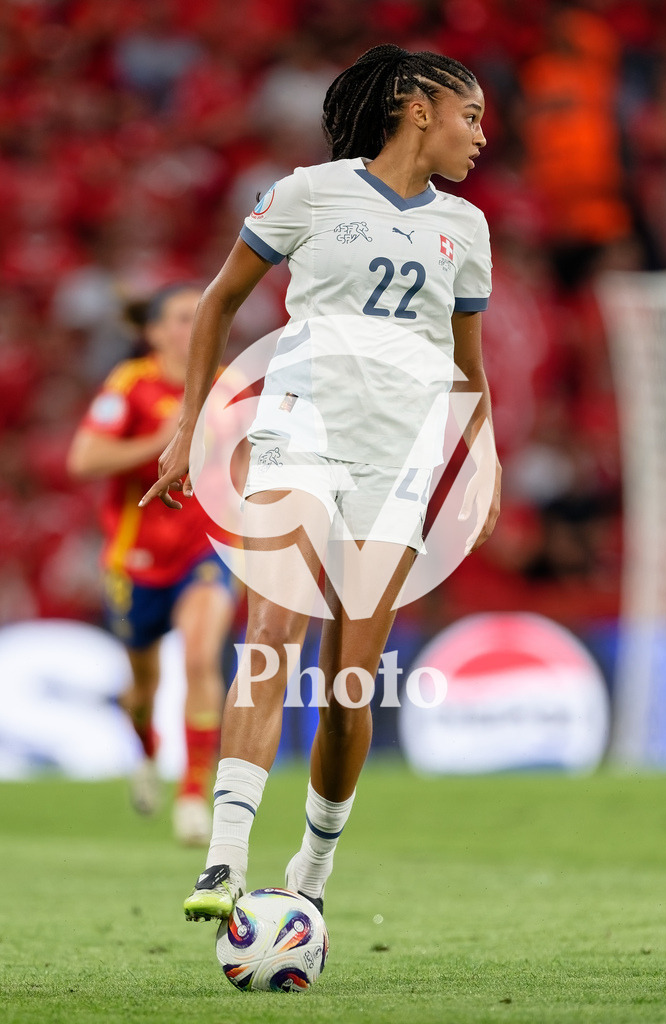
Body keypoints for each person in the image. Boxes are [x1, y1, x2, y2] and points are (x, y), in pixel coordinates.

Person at [141, 44, 501, 918]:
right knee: (271, 634)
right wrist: (191, 420)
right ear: (418, 109)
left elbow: (467, 366)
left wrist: (482, 458)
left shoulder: (466, 228)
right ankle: (222, 861)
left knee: (348, 683)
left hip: (400, 458)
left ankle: (312, 867)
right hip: (300, 428)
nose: (481, 138)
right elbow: (222, 299)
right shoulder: (307, 192)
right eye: (470, 117)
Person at [68, 283, 244, 846]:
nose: (191, 327)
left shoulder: (228, 388)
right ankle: (145, 749)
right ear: (152, 331)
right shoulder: (131, 386)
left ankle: (194, 794)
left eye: (201, 315)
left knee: (199, 657)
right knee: (142, 691)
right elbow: (84, 459)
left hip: (206, 550)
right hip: (137, 560)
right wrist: (164, 442)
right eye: (179, 317)